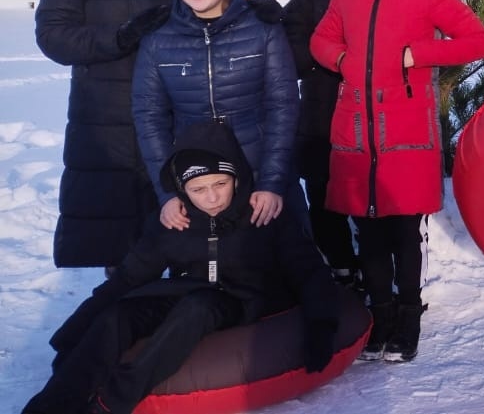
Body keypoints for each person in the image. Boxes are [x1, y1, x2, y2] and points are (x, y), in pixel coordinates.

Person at [21, 120, 340, 414]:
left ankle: (109, 403)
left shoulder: (264, 216)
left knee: (198, 308)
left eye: (221, 183)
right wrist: (75, 329)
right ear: (182, 189)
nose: (213, 198)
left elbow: (309, 273)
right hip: (193, 291)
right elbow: (127, 278)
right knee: (121, 314)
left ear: (236, 176)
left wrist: (321, 329)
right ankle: (54, 404)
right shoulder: (175, 222)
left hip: (247, 299)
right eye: (199, 189)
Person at [310, 0, 484, 364]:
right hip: (357, 128)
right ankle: (381, 315)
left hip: (405, 131)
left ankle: (408, 316)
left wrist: (420, 53)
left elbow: (476, 40)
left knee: (404, 230)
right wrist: (342, 58)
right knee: (366, 231)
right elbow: (320, 39)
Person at [35, 0, 176, 270]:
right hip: (102, 126)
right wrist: (120, 36)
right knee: (118, 247)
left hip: (172, 123)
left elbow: (216, 9)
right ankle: (123, 323)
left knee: (184, 236)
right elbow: (54, 36)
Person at [132, 0, 301, 234]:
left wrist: (272, 182)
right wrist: (169, 192)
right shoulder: (158, 39)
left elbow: (283, 107)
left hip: (258, 174)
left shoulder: (262, 30)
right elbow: (149, 118)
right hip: (196, 183)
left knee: (277, 269)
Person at [283, 0, 360, 288]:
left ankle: (381, 278)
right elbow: (291, 30)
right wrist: (320, 58)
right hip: (321, 107)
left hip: (379, 109)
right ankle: (338, 267)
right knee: (323, 190)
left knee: (374, 194)